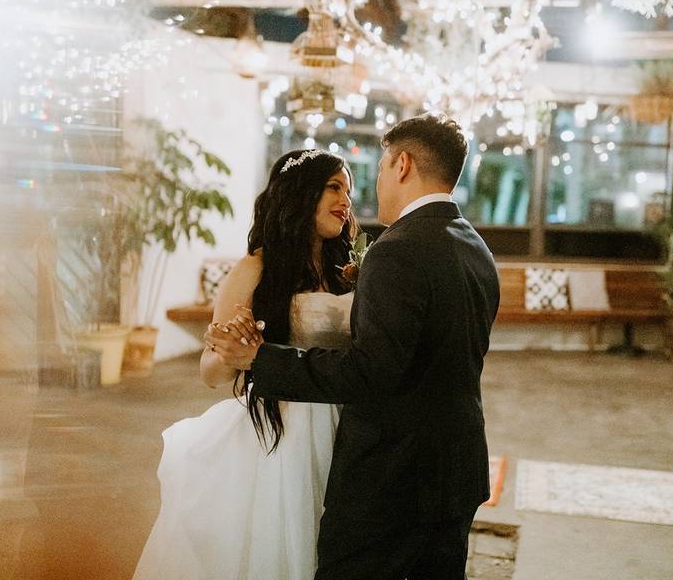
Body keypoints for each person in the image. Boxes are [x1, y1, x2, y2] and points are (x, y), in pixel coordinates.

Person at [207, 114, 501, 580]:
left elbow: (372, 371)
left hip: (393, 474)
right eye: (334, 188)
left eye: (381, 168)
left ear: (402, 165)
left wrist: (260, 358)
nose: (363, 191)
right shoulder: (474, 246)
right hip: (454, 467)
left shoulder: (395, 250)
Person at [132, 150, 358, 580]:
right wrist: (235, 351)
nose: (345, 199)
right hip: (286, 428)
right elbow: (209, 372)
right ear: (299, 194)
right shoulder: (256, 268)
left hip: (347, 416)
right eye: (334, 187)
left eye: (348, 189)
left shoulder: (345, 270)